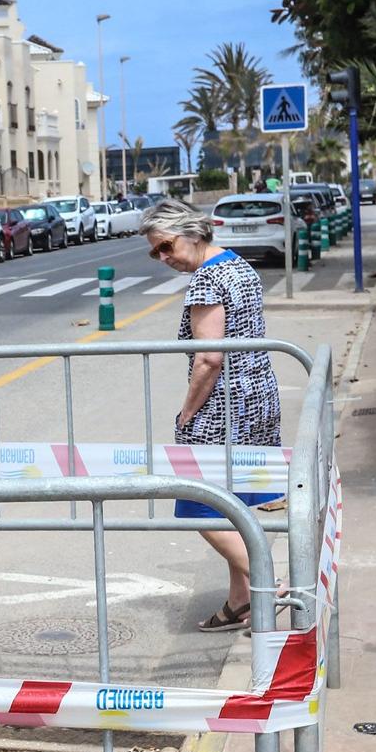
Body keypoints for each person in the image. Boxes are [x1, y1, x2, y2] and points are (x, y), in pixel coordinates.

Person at [141, 199, 282, 633]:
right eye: (155, 253)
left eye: (165, 247)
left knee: (201, 508)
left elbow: (208, 359)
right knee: (236, 506)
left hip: (224, 409)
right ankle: (241, 599)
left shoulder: (206, 280)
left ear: (191, 233)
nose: (163, 258)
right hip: (257, 397)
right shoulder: (239, 266)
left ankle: (270, 587)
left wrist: (187, 413)